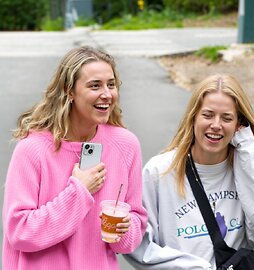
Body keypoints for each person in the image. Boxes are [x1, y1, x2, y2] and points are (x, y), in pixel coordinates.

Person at [2, 46, 148, 269]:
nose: (107, 94)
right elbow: (20, 232)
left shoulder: (125, 145)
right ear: (69, 91)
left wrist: (125, 230)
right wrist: (79, 191)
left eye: (111, 84)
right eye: (94, 85)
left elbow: (132, 230)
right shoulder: (32, 149)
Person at [125, 74, 254, 269]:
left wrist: (248, 149)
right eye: (208, 115)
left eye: (227, 118)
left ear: (239, 124)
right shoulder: (158, 172)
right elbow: (139, 246)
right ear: (193, 117)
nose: (216, 125)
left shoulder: (251, 166)